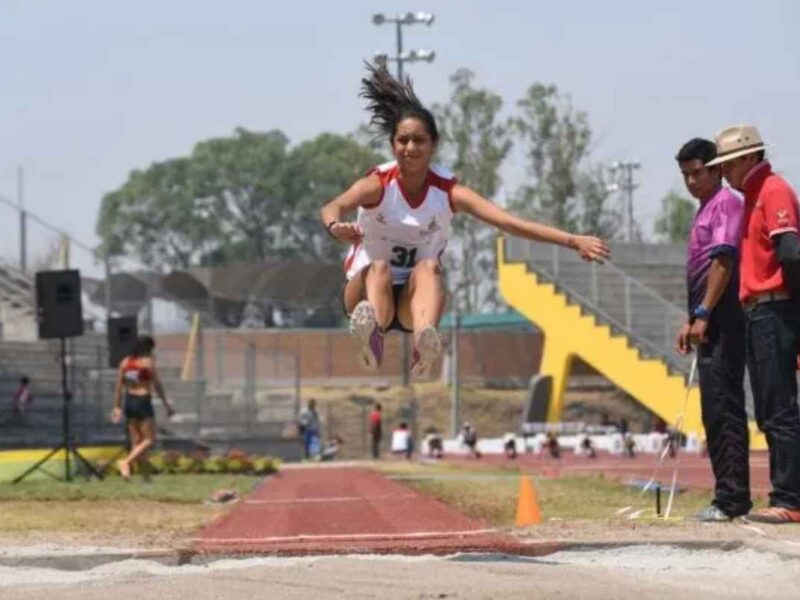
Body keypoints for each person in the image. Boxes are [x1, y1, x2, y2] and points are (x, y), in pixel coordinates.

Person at [319, 63, 609, 376]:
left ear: (434, 145)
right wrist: (336, 227)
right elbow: (333, 206)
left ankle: (424, 342)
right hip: (368, 294)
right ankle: (371, 339)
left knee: (430, 267)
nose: (410, 148)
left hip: (411, 302)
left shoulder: (447, 191)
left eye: (419, 141)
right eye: (402, 141)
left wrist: (572, 240)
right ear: (393, 144)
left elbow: (509, 223)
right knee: (379, 268)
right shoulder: (378, 184)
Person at [707, 125, 800, 524]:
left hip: (775, 306)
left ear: (748, 158)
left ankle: (790, 499)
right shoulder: (751, 196)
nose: (724, 171)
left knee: (779, 407)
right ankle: (785, 495)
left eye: (728, 163)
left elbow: (791, 254)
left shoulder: (773, 190)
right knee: (767, 407)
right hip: (759, 309)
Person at [673, 138, 750, 522]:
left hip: (725, 317)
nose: (690, 181)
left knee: (724, 407)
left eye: (697, 173)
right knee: (713, 409)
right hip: (705, 315)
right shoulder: (705, 209)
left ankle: (732, 500)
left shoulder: (726, 205)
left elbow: (723, 262)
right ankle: (726, 495)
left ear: (717, 169)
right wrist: (690, 318)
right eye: (684, 175)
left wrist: (703, 313)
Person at [111, 335, 174, 480]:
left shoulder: (125, 362)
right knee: (149, 440)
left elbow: (119, 386)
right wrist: (166, 404)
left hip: (129, 401)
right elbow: (157, 385)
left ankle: (145, 477)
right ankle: (125, 462)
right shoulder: (147, 363)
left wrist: (117, 407)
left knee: (137, 442)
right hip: (143, 400)